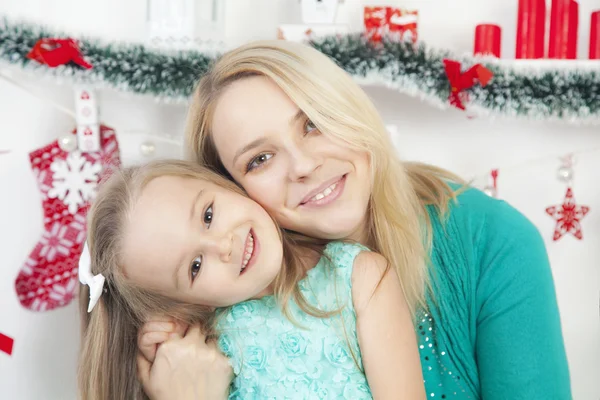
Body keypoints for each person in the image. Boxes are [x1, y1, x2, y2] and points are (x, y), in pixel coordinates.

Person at [143, 40, 571, 399]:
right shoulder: (224, 305)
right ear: (232, 192)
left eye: (312, 123)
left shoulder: (494, 241)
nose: (303, 165)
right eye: (260, 159)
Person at [77, 159, 425, 400]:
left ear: (223, 183)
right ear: (185, 305)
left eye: (209, 214)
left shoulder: (358, 278)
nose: (223, 245)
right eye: (195, 266)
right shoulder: (197, 359)